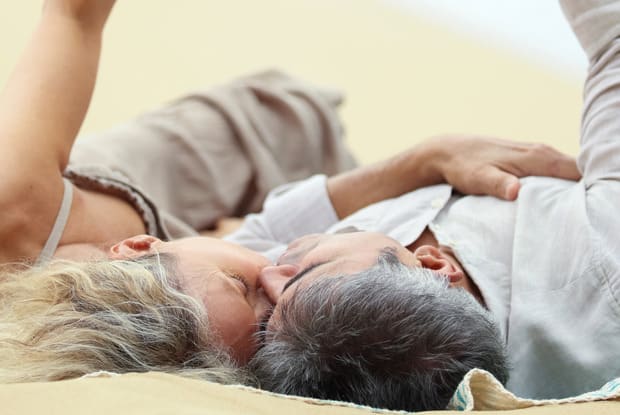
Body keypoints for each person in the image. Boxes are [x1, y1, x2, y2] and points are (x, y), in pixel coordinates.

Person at [0, 0, 579, 388]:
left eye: (245, 286)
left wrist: (428, 158)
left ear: (137, 244)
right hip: (206, 244)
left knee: (287, 125)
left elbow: (75, 15)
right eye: (261, 323)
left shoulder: (16, 199)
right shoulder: (155, 349)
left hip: (256, 139)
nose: (274, 282)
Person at [249, 0, 620, 410]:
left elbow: (255, 236)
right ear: (435, 266)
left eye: (264, 327)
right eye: (311, 270)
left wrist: (429, 159)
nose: (265, 274)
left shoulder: (307, 339)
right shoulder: (604, 250)